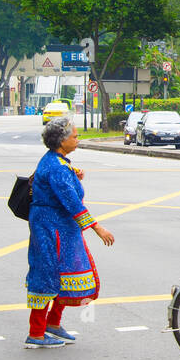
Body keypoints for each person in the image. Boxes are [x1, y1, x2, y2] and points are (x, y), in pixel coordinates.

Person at [25, 118, 115, 347]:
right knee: (47, 276)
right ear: (61, 141)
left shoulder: (59, 163)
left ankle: (52, 323)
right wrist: (97, 228)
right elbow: (73, 203)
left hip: (60, 228)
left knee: (63, 273)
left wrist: (76, 177)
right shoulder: (57, 168)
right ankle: (36, 333)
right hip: (50, 229)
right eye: (74, 136)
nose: (78, 139)